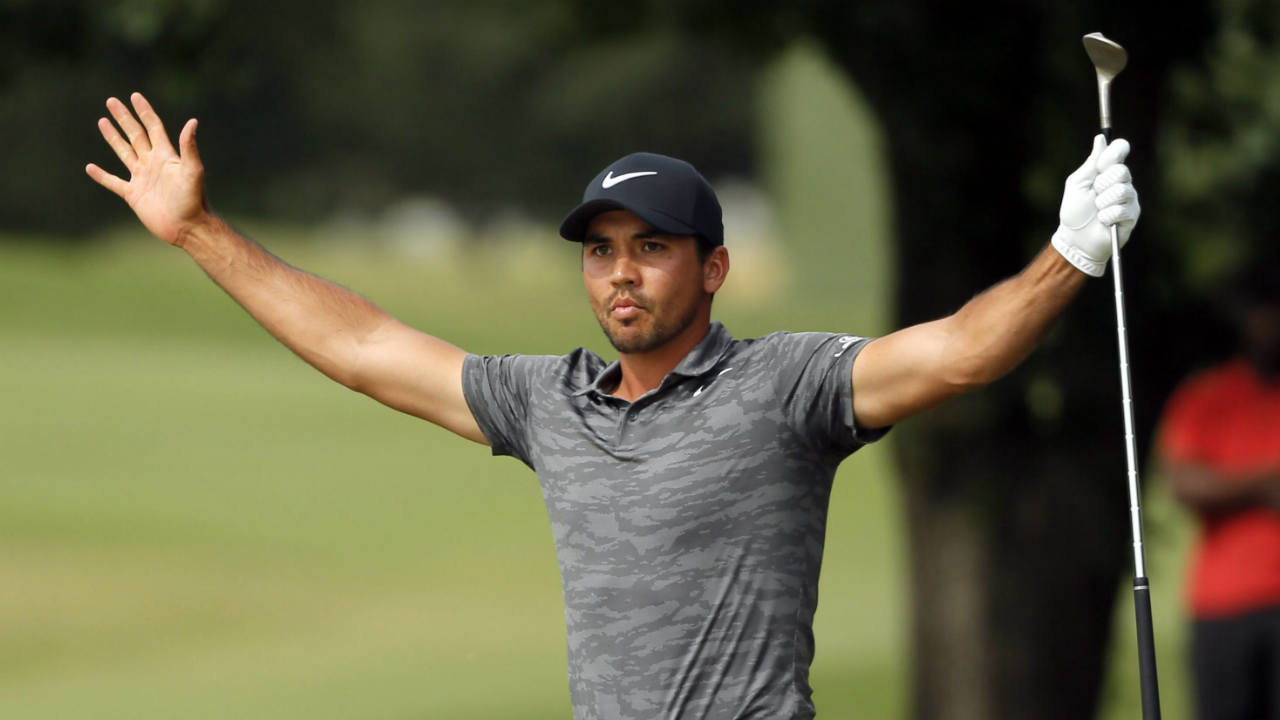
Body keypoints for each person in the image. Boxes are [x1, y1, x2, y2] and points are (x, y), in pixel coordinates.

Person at [86, 92, 1139, 720]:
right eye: (600, 252)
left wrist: (1068, 255)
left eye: (650, 248)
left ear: (713, 266)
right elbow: (364, 347)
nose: (619, 275)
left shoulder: (785, 387)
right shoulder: (548, 403)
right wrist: (196, 233)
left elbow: (957, 355)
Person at [1158, 262, 1280, 720]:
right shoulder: (1207, 396)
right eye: (1265, 311)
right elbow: (1182, 480)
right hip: (1224, 604)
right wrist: (1264, 484)